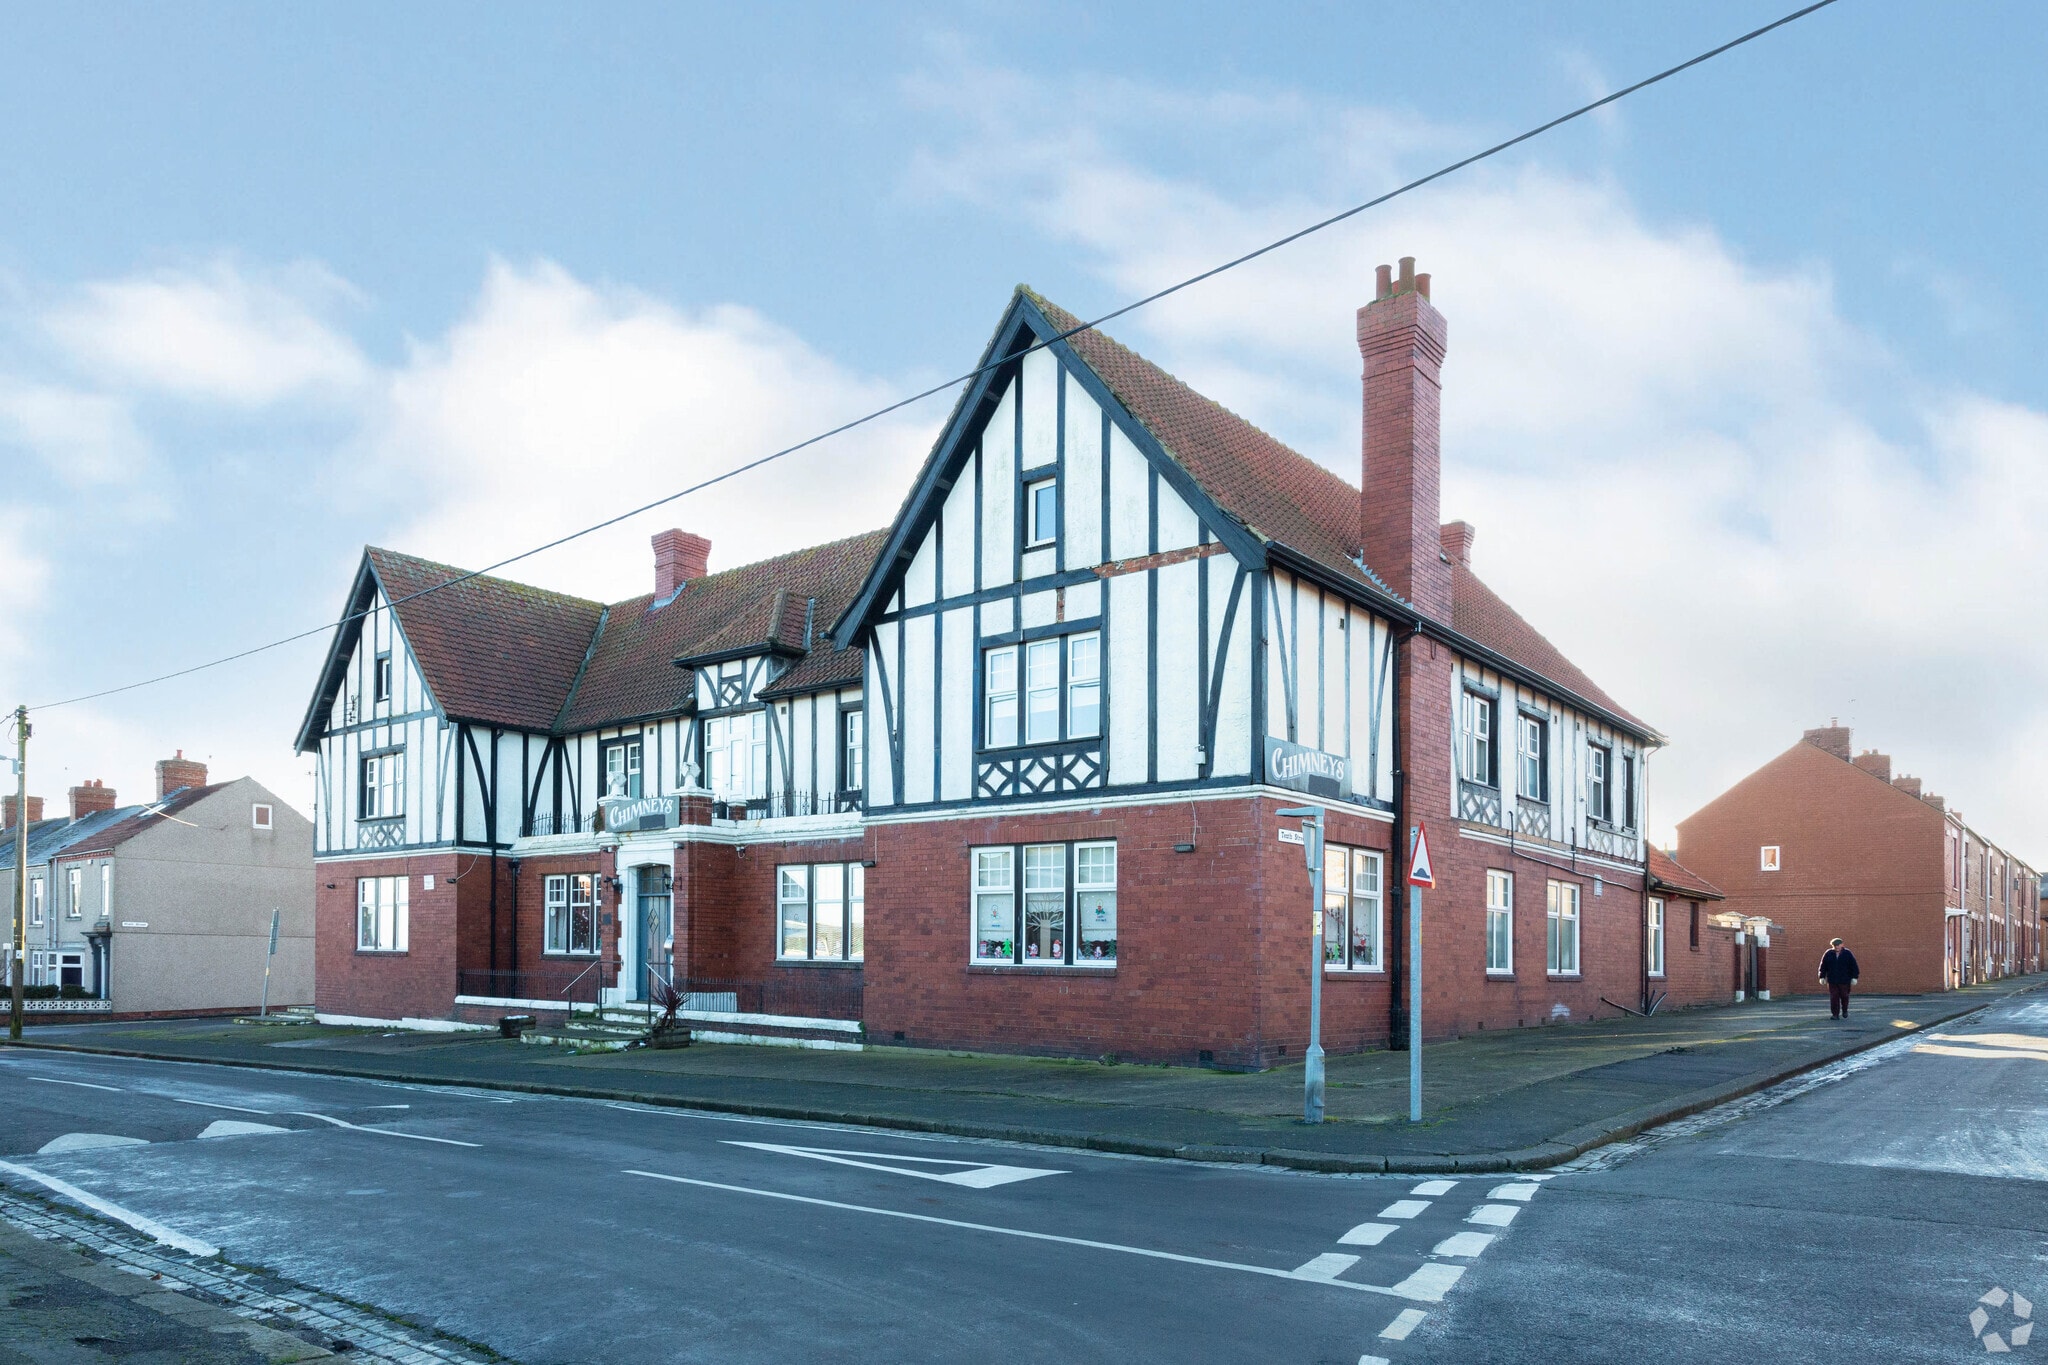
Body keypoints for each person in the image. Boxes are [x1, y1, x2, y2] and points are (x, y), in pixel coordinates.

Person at [1818, 938, 1860, 1019]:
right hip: (1832, 980)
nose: (1836, 947)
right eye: (1835, 945)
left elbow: (1854, 966)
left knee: (1844, 996)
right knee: (1834, 997)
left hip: (1844, 980)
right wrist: (1822, 976)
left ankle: (1845, 1010)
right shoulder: (1828, 953)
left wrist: (1855, 977)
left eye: (1838, 945)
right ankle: (1835, 1014)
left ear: (1842, 945)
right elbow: (1823, 966)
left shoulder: (1847, 953)